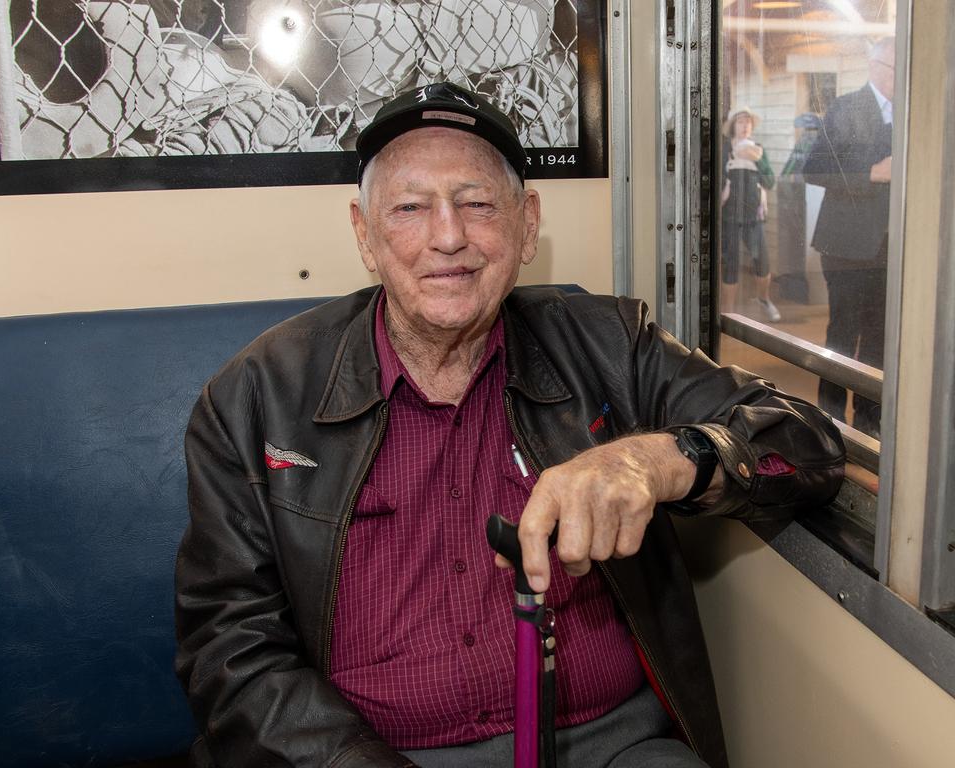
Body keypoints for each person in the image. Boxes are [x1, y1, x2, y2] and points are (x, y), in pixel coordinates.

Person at [175, 82, 845, 768]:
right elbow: (229, 651)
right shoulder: (255, 396)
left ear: (527, 225)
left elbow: (808, 444)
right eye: (409, 207)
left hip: (610, 744)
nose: (448, 236)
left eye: (477, 203)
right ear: (363, 234)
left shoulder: (613, 344)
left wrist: (659, 460)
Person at [802, 37, 895, 438]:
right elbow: (814, 170)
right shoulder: (845, 108)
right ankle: (831, 422)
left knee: (878, 339)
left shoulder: (912, 113)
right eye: (896, 69)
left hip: (892, 249)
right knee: (842, 336)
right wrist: (872, 174)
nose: (902, 78)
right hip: (844, 248)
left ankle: (869, 423)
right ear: (875, 67)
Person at [720, 107, 779, 321]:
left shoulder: (758, 150)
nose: (745, 126)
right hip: (729, 218)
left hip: (754, 218)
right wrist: (735, 157)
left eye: (748, 122)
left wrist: (758, 160)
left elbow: (770, 181)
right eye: (741, 121)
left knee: (762, 263)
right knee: (731, 265)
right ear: (733, 125)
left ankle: (764, 299)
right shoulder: (725, 148)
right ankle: (727, 314)